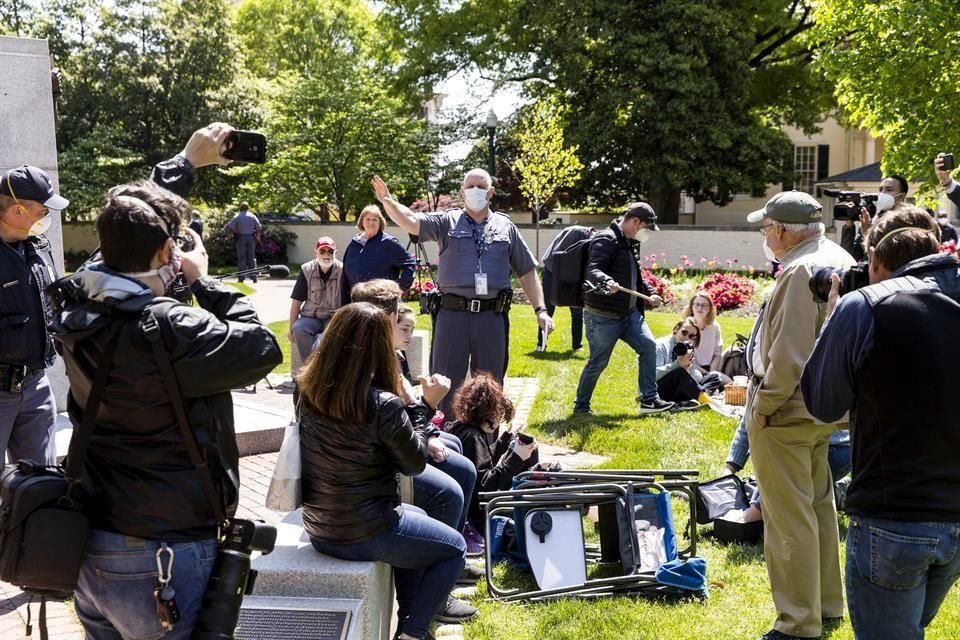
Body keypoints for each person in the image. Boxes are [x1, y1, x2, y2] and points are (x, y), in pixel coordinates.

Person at [47, 123, 283, 639]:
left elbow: (122, 235)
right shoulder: (175, 328)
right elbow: (261, 346)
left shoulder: (80, 301)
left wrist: (182, 166)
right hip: (164, 555)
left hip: (92, 544)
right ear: (163, 255)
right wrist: (203, 279)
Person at [802, 207, 959, 640]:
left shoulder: (865, 305)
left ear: (875, 261)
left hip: (894, 516)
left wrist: (835, 319)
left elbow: (822, 403)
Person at [299, 302, 466, 640]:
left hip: (320, 527)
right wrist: (426, 406)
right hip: (367, 532)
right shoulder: (382, 403)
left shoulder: (307, 391)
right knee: (455, 548)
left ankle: (408, 618)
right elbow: (414, 462)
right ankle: (413, 634)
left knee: (418, 519)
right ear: (377, 349)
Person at [743, 190, 855, 640]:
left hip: (786, 409)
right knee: (816, 507)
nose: (765, 235)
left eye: (767, 227)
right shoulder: (837, 256)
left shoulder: (799, 270)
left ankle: (796, 624)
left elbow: (788, 356)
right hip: (824, 406)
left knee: (788, 518)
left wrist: (763, 407)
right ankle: (826, 604)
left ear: (785, 230)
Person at [372, 170, 554, 415]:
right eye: (470, 186)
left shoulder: (505, 227)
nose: (475, 191)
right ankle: (443, 442)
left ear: (490, 192)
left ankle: (486, 445)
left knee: (490, 387)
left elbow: (527, 272)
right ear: (462, 191)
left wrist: (541, 310)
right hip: (452, 315)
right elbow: (411, 221)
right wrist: (388, 201)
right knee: (444, 382)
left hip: (492, 317)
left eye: (481, 186)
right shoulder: (446, 221)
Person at [351, 279, 481, 614]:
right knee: (451, 486)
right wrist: (430, 405)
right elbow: (402, 440)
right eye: (397, 319)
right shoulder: (366, 364)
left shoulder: (380, 356)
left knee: (453, 446)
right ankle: (427, 593)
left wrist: (427, 420)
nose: (403, 328)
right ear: (382, 319)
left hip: (377, 456)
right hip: (371, 475)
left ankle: (443, 566)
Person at [573, 202, 673, 415]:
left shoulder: (629, 242)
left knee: (648, 347)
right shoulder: (606, 238)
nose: (647, 233)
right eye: (647, 227)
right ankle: (581, 406)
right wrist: (606, 280)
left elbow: (635, 276)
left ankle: (649, 400)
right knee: (598, 362)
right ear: (635, 222)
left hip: (629, 314)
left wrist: (650, 293)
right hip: (602, 317)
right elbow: (593, 269)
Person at [0, 164, 68, 465]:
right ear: (17, 211)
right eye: (43, 211)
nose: (47, 219)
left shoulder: (39, 245)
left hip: (36, 385)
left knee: (41, 489)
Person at [445, 373, 539, 533]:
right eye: (499, 414)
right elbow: (486, 486)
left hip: (472, 508)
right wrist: (516, 457)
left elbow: (482, 463)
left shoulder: (461, 429)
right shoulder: (473, 438)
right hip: (482, 513)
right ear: (488, 413)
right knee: (538, 474)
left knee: (533, 465)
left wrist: (503, 443)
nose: (498, 420)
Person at [340, 204, 416, 305]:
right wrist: (345, 304)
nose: (371, 223)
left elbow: (410, 264)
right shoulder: (354, 244)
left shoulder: (389, 243)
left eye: (375, 219)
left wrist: (399, 289)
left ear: (380, 222)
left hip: (382, 302)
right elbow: (345, 275)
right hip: (357, 302)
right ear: (362, 222)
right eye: (368, 219)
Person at [537, 225, 594, 351]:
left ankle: (577, 346)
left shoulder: (591, 243)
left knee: (577, 309)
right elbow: (558, 255)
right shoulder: (576, 232)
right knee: (548, 308)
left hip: (572, 274)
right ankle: (541, 344)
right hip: (553, 269)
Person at [288, 236, 343, 363]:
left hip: (333, 318)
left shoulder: (343, 270)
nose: (326, 254)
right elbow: (296, 301)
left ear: (336, 252)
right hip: (311, 317)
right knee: (298, 328)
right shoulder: (306, 270)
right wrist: (291, 328)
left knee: (321, 341)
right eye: (322, 251)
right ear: (316, 252)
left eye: (330, 251)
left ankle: (315, 371)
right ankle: (309, 368)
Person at [653, 318, 720, 410]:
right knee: (679, 372)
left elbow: (691, 379)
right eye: (684, 332)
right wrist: (677, 364)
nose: (687, 338)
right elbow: (652, 376)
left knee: (714, 377)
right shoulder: (660, 346)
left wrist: (688, 368)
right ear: (676, 330)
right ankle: (705, 400)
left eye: (692, 336)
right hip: (658, 392)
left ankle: (693, 401)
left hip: (677, 390)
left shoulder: (686, 348)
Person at [840, 174, 905, 261]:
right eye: (880, 190)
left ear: (901, 196)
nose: (882, 193)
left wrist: (868, 234)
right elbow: (851, 256)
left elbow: (889, 258)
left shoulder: (908, 221)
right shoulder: (873, 219)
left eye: (889, 190)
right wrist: (849, 226)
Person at [681, 291, 731, 386]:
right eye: (697, 305)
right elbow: (684, 358)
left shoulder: (715, 327)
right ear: (691, 307)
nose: (700, 308)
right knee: (701, 385)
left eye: (704, 305)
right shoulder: (685, 328)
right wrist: (705, 373)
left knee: (730, 384)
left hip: (710, 368)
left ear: (710, 309)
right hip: (691, 369)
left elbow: (717, 354)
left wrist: (712, 372)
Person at [225, 200, 261, 282]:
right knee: (251, 257)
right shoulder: (253, 216)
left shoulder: (237, 217)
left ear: (240, 208)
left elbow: (231, 228)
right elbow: (258, 227)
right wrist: (258, 237)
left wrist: (229, 235)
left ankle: (241, 278)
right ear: (248, 208)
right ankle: (254, 277)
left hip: (240, 238)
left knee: (242, 258)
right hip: (251, 238)